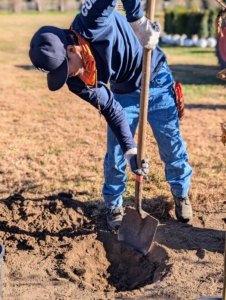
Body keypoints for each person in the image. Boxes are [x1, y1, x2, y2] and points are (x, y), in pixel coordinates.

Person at [29, 0, 193, 230]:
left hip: (155, 77)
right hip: (123, 91)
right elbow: (111, 110)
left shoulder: (91, 21)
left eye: (66, 69)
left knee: (170, 144)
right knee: (117, 153)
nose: (68, 77)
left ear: (70, 49)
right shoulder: (77, 82)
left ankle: (181, 193)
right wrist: (131, 150)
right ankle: (114, 205)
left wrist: (137, 20)